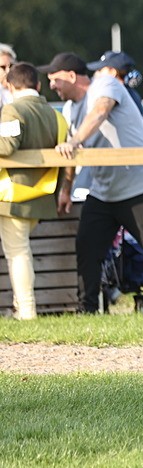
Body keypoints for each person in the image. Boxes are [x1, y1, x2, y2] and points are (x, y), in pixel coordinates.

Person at [39, 52, 143, 313]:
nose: (52, 86)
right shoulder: (69, 109)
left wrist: (75, 141)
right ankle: (86, 309)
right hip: (103, 191)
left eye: (54, 80)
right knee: (87, 247)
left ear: (70, 76)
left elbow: (100, 111)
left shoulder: (104, 83)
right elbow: (70, 153)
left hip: (138, 186)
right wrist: (66, 190)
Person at [0, 63, 68, 319]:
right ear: (38, 86)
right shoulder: (55, 115)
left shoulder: (12, 110)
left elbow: (6, 146)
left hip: (13, 195)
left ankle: (27, 311)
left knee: (17, 252)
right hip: (42, 196)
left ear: (9, 85)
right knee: (21, 249)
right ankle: (22, 307)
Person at [87, 51, 143, 131]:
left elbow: (99, 113)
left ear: (112, 72)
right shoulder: (130, 94)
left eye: (100, 70)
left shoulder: (115, 93)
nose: (96, 74)